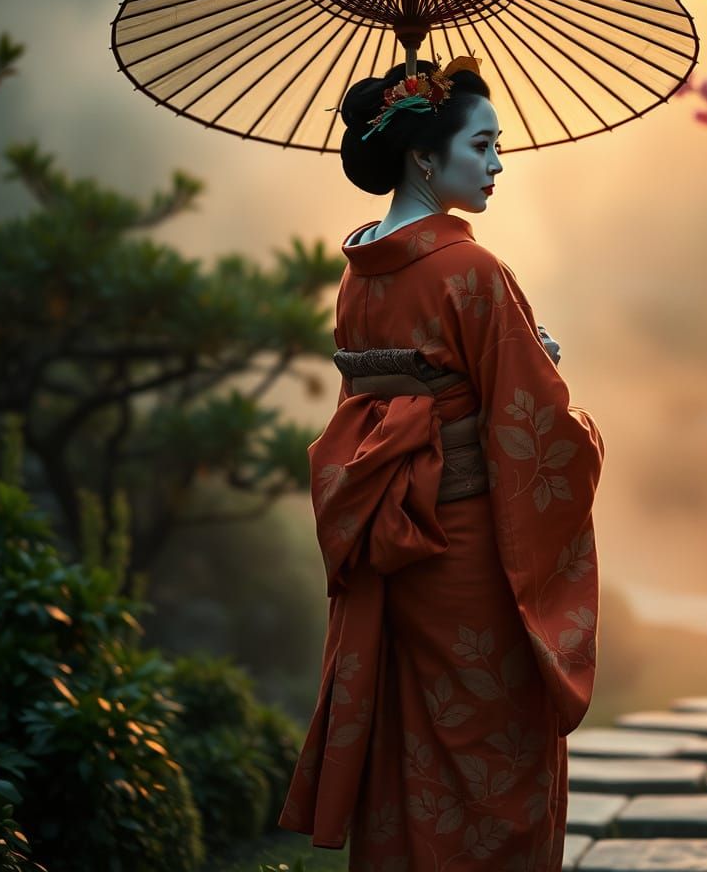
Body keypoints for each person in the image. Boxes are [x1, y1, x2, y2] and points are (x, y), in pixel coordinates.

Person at [277, 56, 604, 872]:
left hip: (395, 549)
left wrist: (518, 355)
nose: (497, 165)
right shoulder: (475, 273)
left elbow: (392, 401)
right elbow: (539, 432)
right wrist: (551, 375)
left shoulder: (357, 277)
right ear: (427, 157)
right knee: (498, 753)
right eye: (484, 145)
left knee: (411, 750)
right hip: (469, 557)